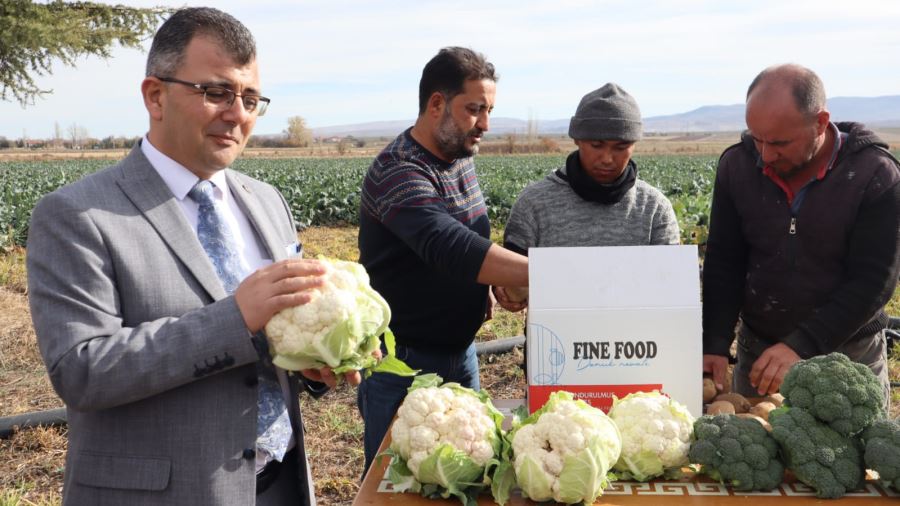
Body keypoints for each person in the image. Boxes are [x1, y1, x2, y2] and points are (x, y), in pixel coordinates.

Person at [26, 7, 357, 505]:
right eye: (217, 92)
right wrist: (234, 320)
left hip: (281, 483)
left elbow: (274, 336)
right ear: (155, 96)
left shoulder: (267, 201)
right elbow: (81, 370)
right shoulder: (77, 214)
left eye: (250, 99)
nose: (237, 114)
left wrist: (315, 358)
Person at [356, 46, 529, 474]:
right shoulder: (397, 170)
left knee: (467, 475)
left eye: (488, 110)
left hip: (461, 354)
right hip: (402, 364)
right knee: (396, 485)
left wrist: (485, 285)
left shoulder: (457, 158)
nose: (485, 124)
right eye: (474, 110)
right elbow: (445, 243)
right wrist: (555, 275)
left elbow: (469, 238)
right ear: (436, 104)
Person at [702, 63, 900, 407]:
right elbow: (724, 261)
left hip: (848, 355)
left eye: (779, 142)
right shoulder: (737, 166)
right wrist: (716, 342)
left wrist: (801, 344)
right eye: (756, 138)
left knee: (855, 459)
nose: (764, 156)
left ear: (820, 123)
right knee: (759, 452)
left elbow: (873, 281)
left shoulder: (875, 174)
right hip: (760, 354)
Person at [503, 83, 680, 278]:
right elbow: (509, 283)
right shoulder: (534, 204)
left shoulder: (654, 208)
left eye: (620, 147)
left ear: (634, 145)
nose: (607, 158)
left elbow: (669, 281)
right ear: (577, 139)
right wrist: (511, 292)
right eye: (596, 145)